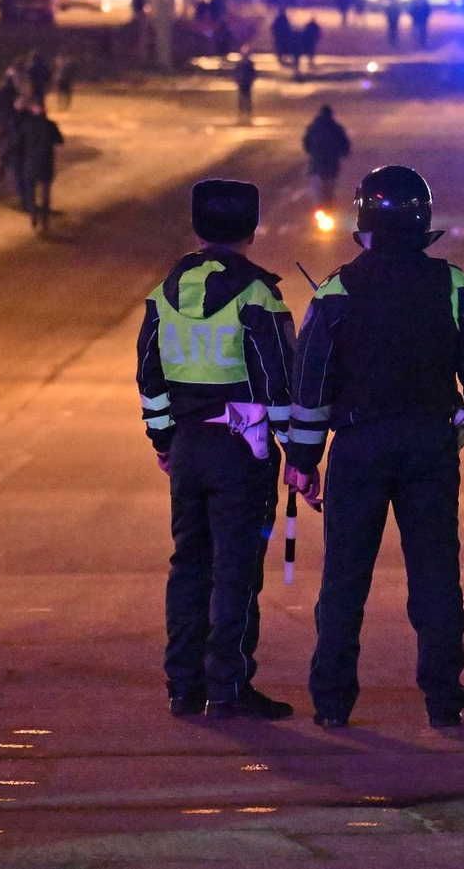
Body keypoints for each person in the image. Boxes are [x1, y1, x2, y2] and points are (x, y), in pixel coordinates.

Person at [287, 165, 464, 729]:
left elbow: (310, 386)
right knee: (435, 577)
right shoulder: (455, 287)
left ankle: (332, 704)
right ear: (423, 221)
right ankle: (444, 702)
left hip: (358, 448)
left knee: (344, 580)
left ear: (363, 222)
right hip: (431, 448)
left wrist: (303, 461)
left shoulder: (336, 291)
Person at [135, 179, 296, 721]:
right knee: (236, 568)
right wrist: (297, 453)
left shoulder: (163, 294)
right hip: (243, 446)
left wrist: (164, 441)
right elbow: (278, 383)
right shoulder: (258, 294)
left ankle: (184, 687)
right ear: (251, 230)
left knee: (189, 565)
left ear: (197, 227)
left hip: (187, 445)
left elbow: (149, 377)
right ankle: (228, 686)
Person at [18, 101, 63, 234]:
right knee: (45, 194)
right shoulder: (50, 125)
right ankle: (45, 220)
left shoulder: (27, 125)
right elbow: (60, 140)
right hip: (46, 162)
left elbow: (19, 142)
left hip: (30, 162)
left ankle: (33, 215)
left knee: (31, 191)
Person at [302, 105, 351, 206]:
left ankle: (318, 207)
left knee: (317, 189)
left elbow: (306, 144)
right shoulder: (336, 128)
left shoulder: (313, 128)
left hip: (316, 165)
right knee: (330, 189)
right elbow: (345, 145)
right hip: (332, 165)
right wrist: (342, 154)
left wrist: (313, 153)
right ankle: (329, 207)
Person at [0, 68, 21, 184]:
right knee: (13, 144)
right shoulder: (16, 93)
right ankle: (8, 165)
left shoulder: (1, 93)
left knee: (2, 144)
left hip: (2, 123)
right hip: (12, 123)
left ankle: (2, 163)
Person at [234, 49, 257, 122]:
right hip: (243, 81)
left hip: (246, 81)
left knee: (246, 96)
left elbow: (252, 73)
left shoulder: (247, 63)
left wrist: (251, 79)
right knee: (243, 96)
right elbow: (236, 72)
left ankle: (246, 109)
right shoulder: (241, 63)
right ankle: (243, 109)